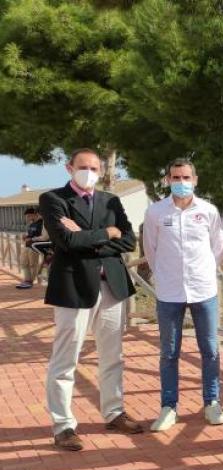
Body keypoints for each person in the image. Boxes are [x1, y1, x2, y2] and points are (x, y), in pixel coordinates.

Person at [39, 148, 144, 451]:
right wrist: (106, 233)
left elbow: (127, 240)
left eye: (94, 168)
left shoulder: (110, 200)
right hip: (73, 286)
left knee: (113, 355)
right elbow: (65, 241)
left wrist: (93, 235)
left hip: (111, 286)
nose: (89, 172)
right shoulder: (53, 199)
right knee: (66, 358)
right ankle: (63, 425)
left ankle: (114, 412)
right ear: (69, 167)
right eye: (82, 167)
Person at [143, 159, 223, 431]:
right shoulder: (155, 212)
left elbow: (218, 247)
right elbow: (151, 250)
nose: (181, 183)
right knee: (169, 352)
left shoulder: (208, 211)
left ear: (195, 179)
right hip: (169, 292)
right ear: (167, 180)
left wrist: (204, 272)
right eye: (176, 178)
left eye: (186, 177)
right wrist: (165, 275)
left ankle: (212, 403)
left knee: (211, 350)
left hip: (204, 290)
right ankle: (169, 407)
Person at [16, 207, 47, 289]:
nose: (28, 218)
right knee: (23, 263)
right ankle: (26, 280)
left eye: (29, 216)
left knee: (33, 264)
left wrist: (32, 239)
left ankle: (30, 281)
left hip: (35, 246)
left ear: (34, 214)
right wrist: (26, 236)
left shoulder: (42, 223)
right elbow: (30, 234)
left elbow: (44, 237)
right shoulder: (32, 224)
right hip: (27, 245)